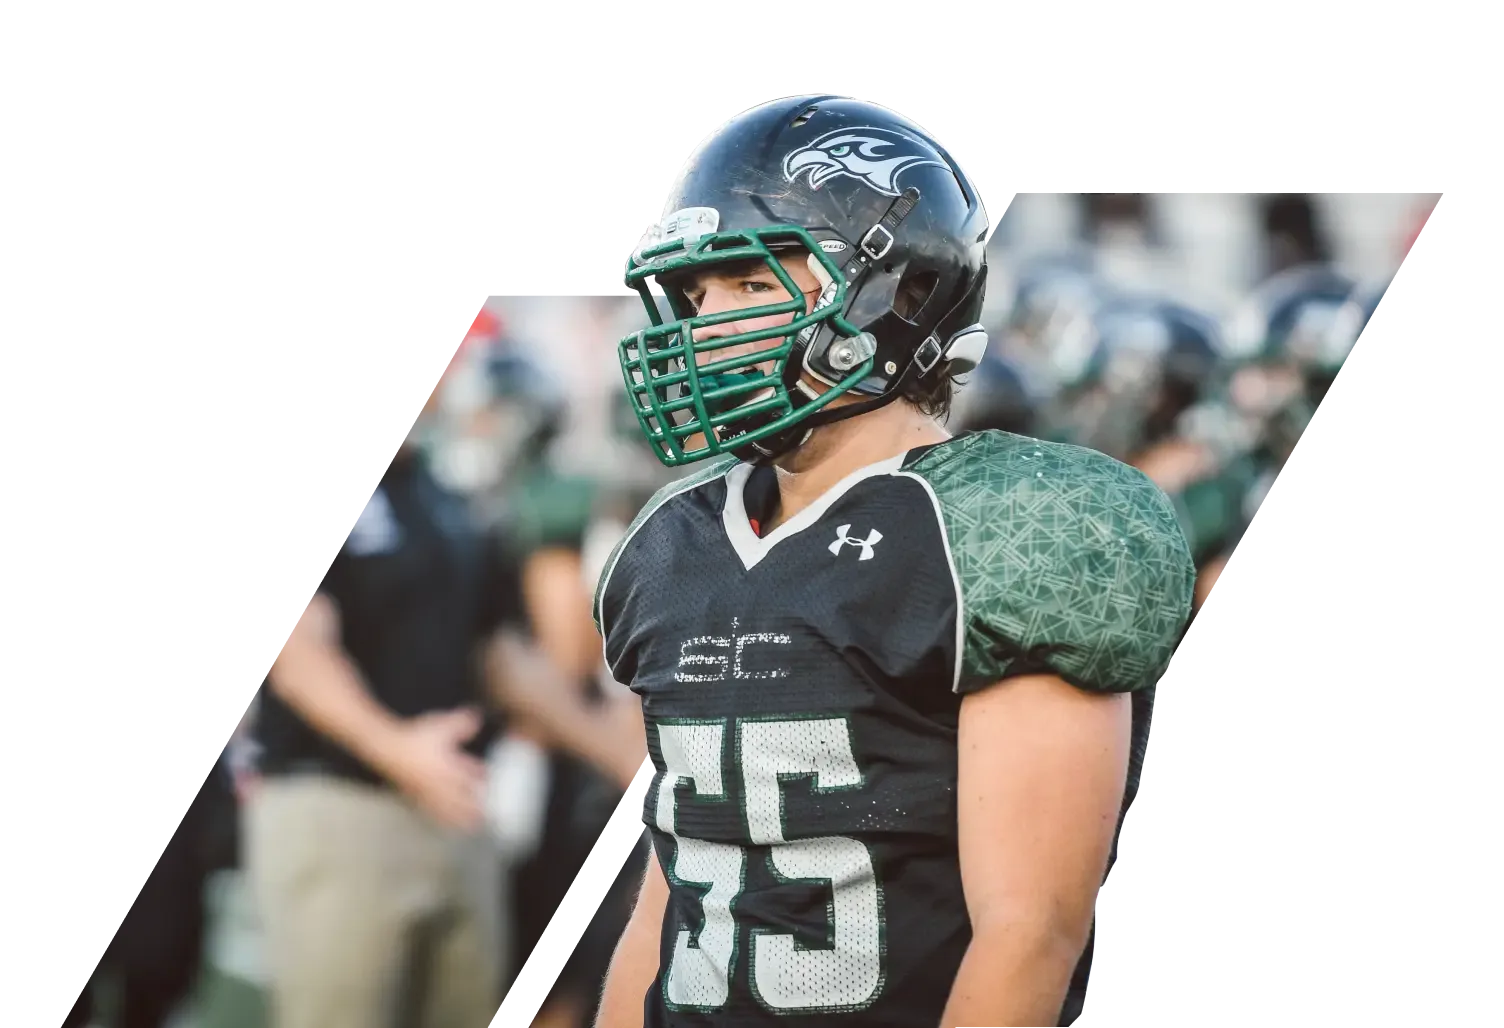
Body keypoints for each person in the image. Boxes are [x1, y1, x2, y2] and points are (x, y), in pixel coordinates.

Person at [590, 95, 1197, 1028]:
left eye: (750, 285)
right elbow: (672, 894)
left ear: (894, 295)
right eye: (698, 295)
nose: (706, 325)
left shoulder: (1000, 532)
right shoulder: (675, 540)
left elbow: (1028, 933)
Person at [249, 371, 524, 1028]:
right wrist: (399, 750)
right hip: (339, 806)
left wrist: (619, 743)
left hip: (457, 806)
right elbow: (298, 652)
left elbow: (504, 654)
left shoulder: (447, 491)